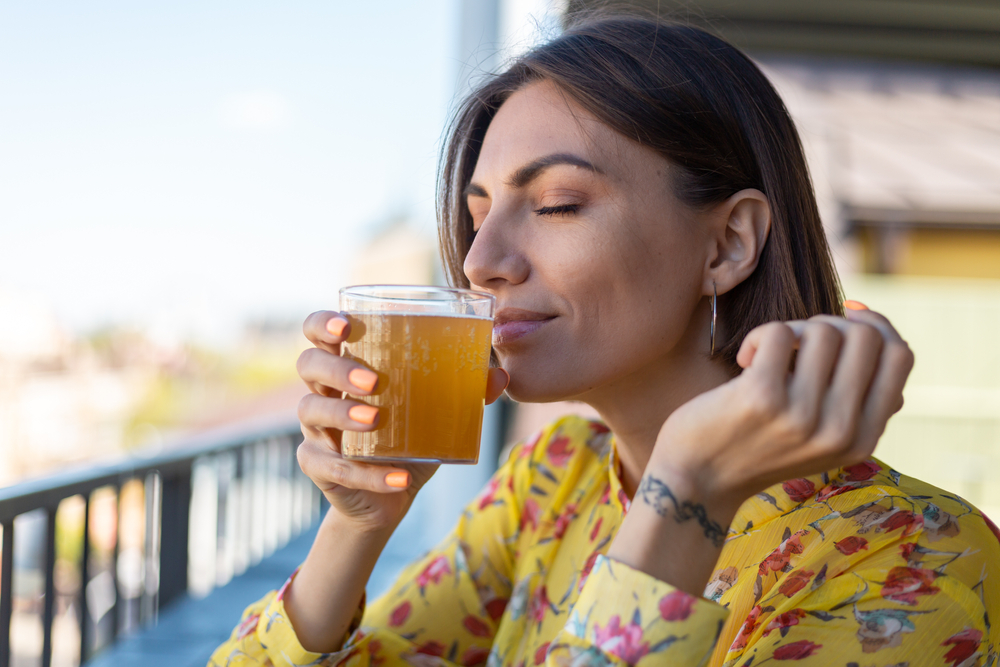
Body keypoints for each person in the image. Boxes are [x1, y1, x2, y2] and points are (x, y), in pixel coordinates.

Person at [210, 13, 1000, 667]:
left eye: (555, 203)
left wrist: (687, 491)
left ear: (727, 244)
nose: (481, 261)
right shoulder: (555, 484)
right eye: (478, 212)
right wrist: (356, 518)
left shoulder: (911, 564)